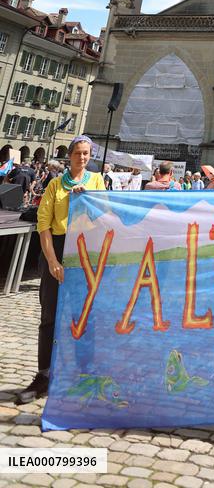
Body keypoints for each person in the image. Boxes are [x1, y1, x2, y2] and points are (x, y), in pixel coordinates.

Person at [15, 136, 105, 404]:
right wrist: (52, 261)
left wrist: (89, 199)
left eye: (86, 153)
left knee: (84, 317)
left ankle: (83, 373)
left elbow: (104, 215)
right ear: (70, 156)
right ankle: (44, 374)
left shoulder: (97, 182)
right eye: (78, 153)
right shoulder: (56, 185)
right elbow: (44, 226)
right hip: (57, 246)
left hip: (84, 250)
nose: (82, 158)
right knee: (50, 316)